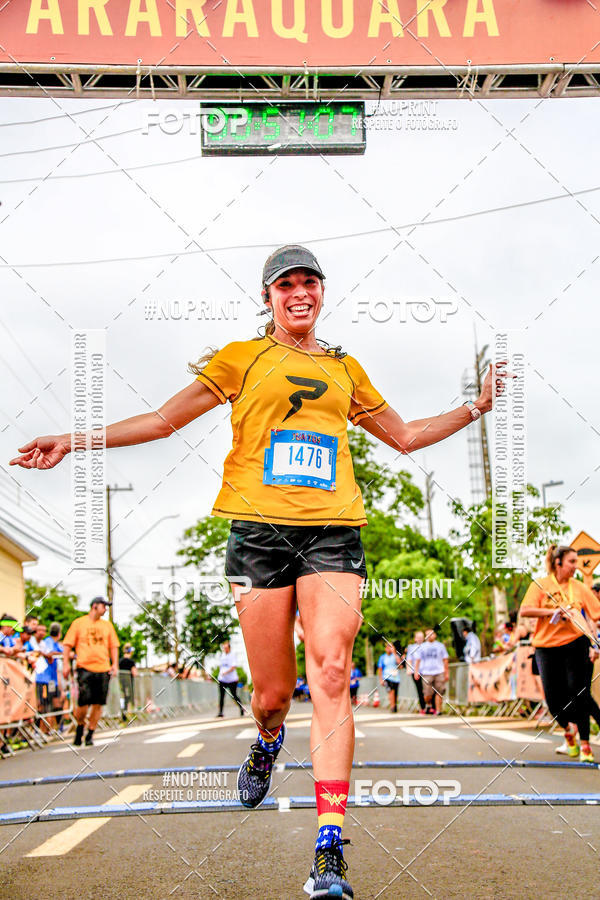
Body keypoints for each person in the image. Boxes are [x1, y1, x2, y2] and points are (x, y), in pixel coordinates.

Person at [10, 244, 507, 899]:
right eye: (285, 284)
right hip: (257, 536)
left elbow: (406, 436)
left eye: (310, 282)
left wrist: (478, 407)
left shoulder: (345, 368)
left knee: (331, 669)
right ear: (268, 296)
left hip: (333, 531)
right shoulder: (241, 358)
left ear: (322, 293)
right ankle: (267, 739)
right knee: (272, 694)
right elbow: (163, 421)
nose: (299, 292)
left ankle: (329, 847)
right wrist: (74, 440)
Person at [519, 545, 600, 763]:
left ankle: (585, 745)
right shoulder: (540, 585)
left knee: (579, 692)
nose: (575, 566)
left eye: (576, 562)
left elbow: (596, 614)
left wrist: (595, 644)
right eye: (572, 562)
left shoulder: (579, 587)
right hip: (546, 647)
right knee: (553, 699)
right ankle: (568, 729)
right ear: (558, 563)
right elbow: (525, 610)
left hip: (576, 643)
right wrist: (553, 612)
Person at [62, 597, 119, 746]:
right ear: (94, 606)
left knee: (98, 703)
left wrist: (115, 664)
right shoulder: (79, 623)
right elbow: (67, 645)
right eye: (103, 606)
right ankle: (80, 726)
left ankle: (90, 733)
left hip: (103, 668)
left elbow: (114, 646)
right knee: (83, 702)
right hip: (84, 668)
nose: (105, 609)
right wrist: (66, 664)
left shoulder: (107, 625)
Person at [414, 629, 449, 715]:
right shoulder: (422, 646)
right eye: (428, 634)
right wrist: (416, 671)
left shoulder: (440, 646)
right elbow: (418, 660)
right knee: (427, 694)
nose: (430, 636)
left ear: (435, 635)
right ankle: (428, 705)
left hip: (439, 671)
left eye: (431, 634)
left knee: (439, 691)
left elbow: (445, 659)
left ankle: (438, 710)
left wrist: (446, 673)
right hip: (426, 672)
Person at [216, 640, 244, 717]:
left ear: (229, 648)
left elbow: (233, 667)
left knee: (234, 695)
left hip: (232, 679)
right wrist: (222, 674)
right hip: (222, 679)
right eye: (224, 648)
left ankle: (241, 708)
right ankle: (220, 712)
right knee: (221, 696)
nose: (225, 649)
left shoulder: (232, 655)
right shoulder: (222, 655)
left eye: (226, 648)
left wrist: (226, 672)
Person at [405, 630, 426, 713]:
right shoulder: (412, 647)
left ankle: (431, 706)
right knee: (420, 690)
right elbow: (409, 659)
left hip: (427, 671)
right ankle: (423, 707)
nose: (420, 639)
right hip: (416, 672)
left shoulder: (426, 646)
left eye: (421, 637)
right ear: (415, 639)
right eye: (418, 637)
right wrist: (409, 669)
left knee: (429, 690)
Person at [377, 643, 401, 713]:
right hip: (387, 677)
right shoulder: (382, 657)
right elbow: (380, 669)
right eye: (387, 647)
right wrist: (381, 679)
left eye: (390, 647)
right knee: (391, 691)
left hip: (396, 677)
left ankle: (394, 704)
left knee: (395, 692)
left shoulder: (395, 656)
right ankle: (392, 706)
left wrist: (394, 653)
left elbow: (399, 664)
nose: (389, 649)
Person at [118, 644, 138, 722]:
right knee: (128, 697)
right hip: (128, 683)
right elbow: (134, 673)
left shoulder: (120, 661)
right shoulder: (131, 662)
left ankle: (123, 713)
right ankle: (127, 713)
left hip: (120, 682)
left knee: (122, 697)